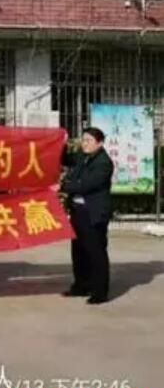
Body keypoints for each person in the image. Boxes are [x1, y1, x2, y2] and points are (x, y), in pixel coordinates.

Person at [61, 127, 115, 305]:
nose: (84, 144)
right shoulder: (81, 156)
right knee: (78, 251)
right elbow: (64, 159)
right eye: (83, 140)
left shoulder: (104, 163)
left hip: (93, 213)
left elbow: (86, 185)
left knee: (95, 252)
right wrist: (60, 142)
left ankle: (99, 292)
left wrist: (63, 186)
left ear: (99, 143)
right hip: (78, 211)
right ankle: (81, 286)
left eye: (88, 140)